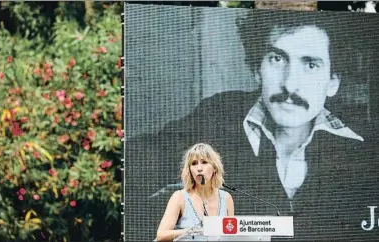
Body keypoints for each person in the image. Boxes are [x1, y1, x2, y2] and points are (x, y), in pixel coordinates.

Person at [128, 9, 379, 241]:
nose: (290, 85)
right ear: (257, 68)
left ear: (332, 82)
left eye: (310, 64)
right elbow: (138, 164)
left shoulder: (365, 147)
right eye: (277, 59)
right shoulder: (217, 116)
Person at [155, 143, 234, 241]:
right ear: (190, 170)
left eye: (204, 162)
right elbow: (161, 235)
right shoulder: (179, 197)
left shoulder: (226, 198)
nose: (199, 168)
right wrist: (191, 232)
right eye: (194, 163)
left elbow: (231, 235)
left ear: (214, 168)